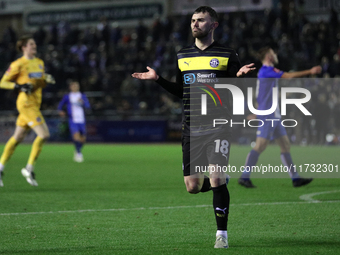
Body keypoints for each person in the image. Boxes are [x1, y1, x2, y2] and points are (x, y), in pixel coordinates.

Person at [132, 6, 255, 249]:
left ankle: (222, 234)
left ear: (214, 25)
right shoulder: (182, 55)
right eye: (192, 20)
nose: (195, 24)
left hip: (219, 125)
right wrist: (158, 80)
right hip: (191, 127)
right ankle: (215, 181)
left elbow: (236, 88)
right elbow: (181, 91)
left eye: (200, 20)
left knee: (217, 178)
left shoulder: (227, 54)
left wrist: (240, 77)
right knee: (192, 187)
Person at [238, 47, 321, 188]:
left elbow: (261, 95)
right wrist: (310, 71)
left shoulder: (265, 73)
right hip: (268, 115)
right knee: (260, 146)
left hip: (274, 115)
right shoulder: (267, 70)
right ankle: (244, 176)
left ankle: (295, 178)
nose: (275, 55)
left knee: (285, 145)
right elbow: (288, 76)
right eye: (272, 53)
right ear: (269, 56)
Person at [0, 35, 55, 187]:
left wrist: (45, 80)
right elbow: (3, 82)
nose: (34, 46)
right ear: (24, 47)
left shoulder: (39, 63)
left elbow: (38, 84)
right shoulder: (18, 64)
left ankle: (0, 167)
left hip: (35, 104)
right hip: (26, 104)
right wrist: (18, 86)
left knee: (17, 138)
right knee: (44, 134)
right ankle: (29, 168)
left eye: (34, 44)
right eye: (31, 44)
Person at [58, 80, 90, 162]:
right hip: (72, 119)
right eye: (73, 86)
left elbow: (88, 106)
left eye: (76, 85)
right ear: (70, 87)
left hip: (81, 119)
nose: (75, 87)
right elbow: (61, 105)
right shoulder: (68, 96)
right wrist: (60, 111)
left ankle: (78, 149)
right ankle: (78, 153)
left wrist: (82, 102)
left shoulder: (82, 96)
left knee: (83, 138)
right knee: (76, 135)